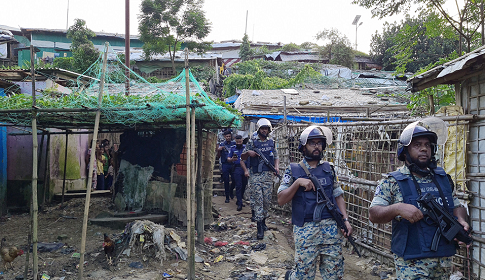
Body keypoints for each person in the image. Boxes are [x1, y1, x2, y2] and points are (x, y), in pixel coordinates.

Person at [369, 117, 470, 279]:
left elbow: (456, 205)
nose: (424, 149)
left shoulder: (442, 178)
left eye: (427, 145)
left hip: (443, 261)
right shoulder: (393, 181)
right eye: (417, 145)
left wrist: (461, 219)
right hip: (411, 262)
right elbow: (373, 213)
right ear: (405, 151)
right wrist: (397, 208)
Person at [277, 125, 352, 280]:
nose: (317, 146)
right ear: (303, 146)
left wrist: (345, 220)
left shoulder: (329, 169)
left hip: (331, 231)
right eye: (312, 143)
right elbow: (281, 199)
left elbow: (338, 196)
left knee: (335, 275)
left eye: (319, 143)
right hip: (305, 232)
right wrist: (297, 183)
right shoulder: (293, 170)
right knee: (303, 276)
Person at [241, 118, 279, 240]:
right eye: (262, 128)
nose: (264, 130)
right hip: (256, 175)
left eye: (266, 129)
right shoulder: (252, 142)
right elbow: (242, 157)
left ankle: (263, 222)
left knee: (267, 201)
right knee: (258, 200)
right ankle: (259, 228)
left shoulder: (271, 142)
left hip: (268, 176)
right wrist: (249, 153)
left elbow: (276, 156)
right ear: (259, 129)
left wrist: (276, 168)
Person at [227, 135, 248, 211]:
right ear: (235, 141)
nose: (239, 143)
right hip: (237, 168)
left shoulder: (246, 148)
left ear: (242, 140)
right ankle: (239, 203)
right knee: (238, 185)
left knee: (244, 185)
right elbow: (228, 158)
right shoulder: (232, 148)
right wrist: (232, 159)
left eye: (240, 141)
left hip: (245, 168)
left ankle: (240, 199)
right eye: (237, 141)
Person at [217, 130, 236, 203]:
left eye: (229, 136)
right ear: (224, 137)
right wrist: (219, 150)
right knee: (226, 181)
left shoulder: (234, 144)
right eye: (227, 136)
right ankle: (227, 197)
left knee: (234, 180)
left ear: (231, 136)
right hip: (225, 164)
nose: (228, 137)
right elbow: (218, 157)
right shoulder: (222, 144)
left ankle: (231, 191)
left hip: (232, 164)